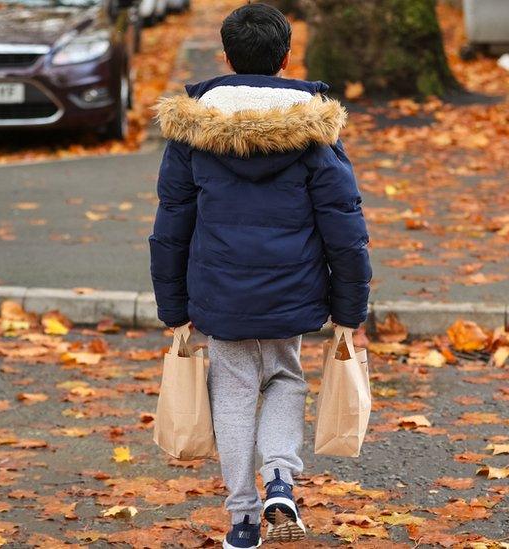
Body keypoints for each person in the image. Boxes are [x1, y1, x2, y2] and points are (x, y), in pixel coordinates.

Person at [149, 3, 371, 547]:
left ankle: (243, 519)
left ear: (224, 57)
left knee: (231, 389)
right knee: (285, 377)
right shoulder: (314, 133)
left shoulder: (193, 132)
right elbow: (345, 229)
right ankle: (278, 478)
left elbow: (171, 226)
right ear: (286, 58)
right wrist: (350, 310)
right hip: (291, 289)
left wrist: (172, 307)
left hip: (217, 293)